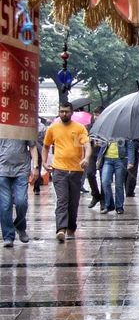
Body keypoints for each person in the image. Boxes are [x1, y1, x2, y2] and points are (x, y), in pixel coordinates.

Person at [42, 102, 92, 242]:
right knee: (62, 200)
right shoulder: (53, 128)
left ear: (72, 113)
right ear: (59, 112)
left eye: (67, 112)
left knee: (73, 203)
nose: (64, 114)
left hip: (76, 171)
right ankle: (61, 229)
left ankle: (71, 228)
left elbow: (87, 145)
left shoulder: (79, 128)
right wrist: (44, 162)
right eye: (62, 111)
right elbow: (46, 146)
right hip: (59, 170)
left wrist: (86, 158)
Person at [0, 137, 36, 247]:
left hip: (21, 170)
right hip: (2, 169)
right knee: (5, 205)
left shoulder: (24, 127)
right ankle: (8, 236)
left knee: (22, 202)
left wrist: (35, 167)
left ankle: (20, 226)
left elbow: (32, 146)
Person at [97, 138, 129, 214]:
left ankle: (119, 207)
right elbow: (103, 146)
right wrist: (99, 158)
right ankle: (109, 205)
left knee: (119, 184)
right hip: (107, 160)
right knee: (105, 182)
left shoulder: (125, 134)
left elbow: (130, 146)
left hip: (120, 160)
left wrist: (130, 161)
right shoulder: (108, 133)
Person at [84, 107, 103, 208]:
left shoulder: (107, 126)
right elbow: (85, 139)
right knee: (90, 173)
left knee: (104, 178)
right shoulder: (90, 126)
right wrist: (90, 140)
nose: (96, 117)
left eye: (98, 114)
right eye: (95, 115)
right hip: (92, 153)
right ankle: (95, 195)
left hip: (103, 154)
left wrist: (103, 143)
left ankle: (104, 201)